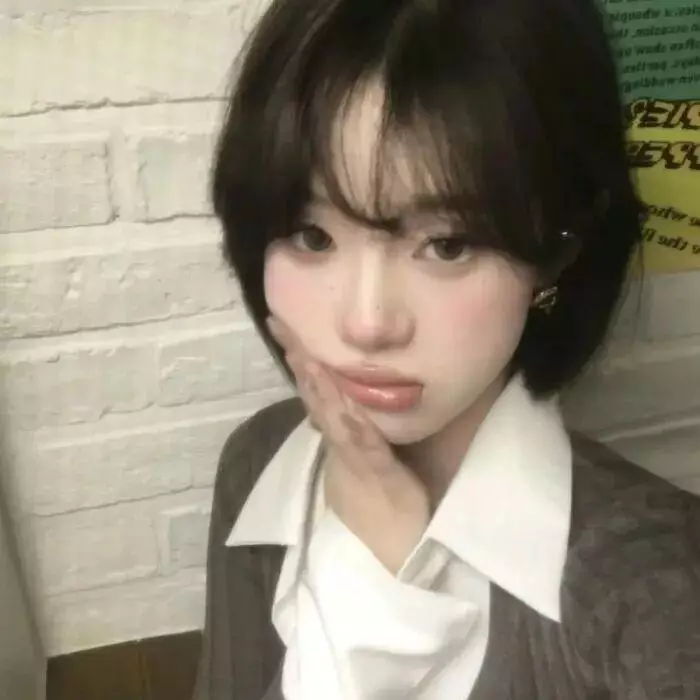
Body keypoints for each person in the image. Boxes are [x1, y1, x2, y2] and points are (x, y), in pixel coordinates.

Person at [193, 0, 700, 698]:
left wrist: (374, 597)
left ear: (557, 250)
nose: (368, 323)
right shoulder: (257, 463)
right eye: (313, 237)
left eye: (449, 244)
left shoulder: (651, 588)